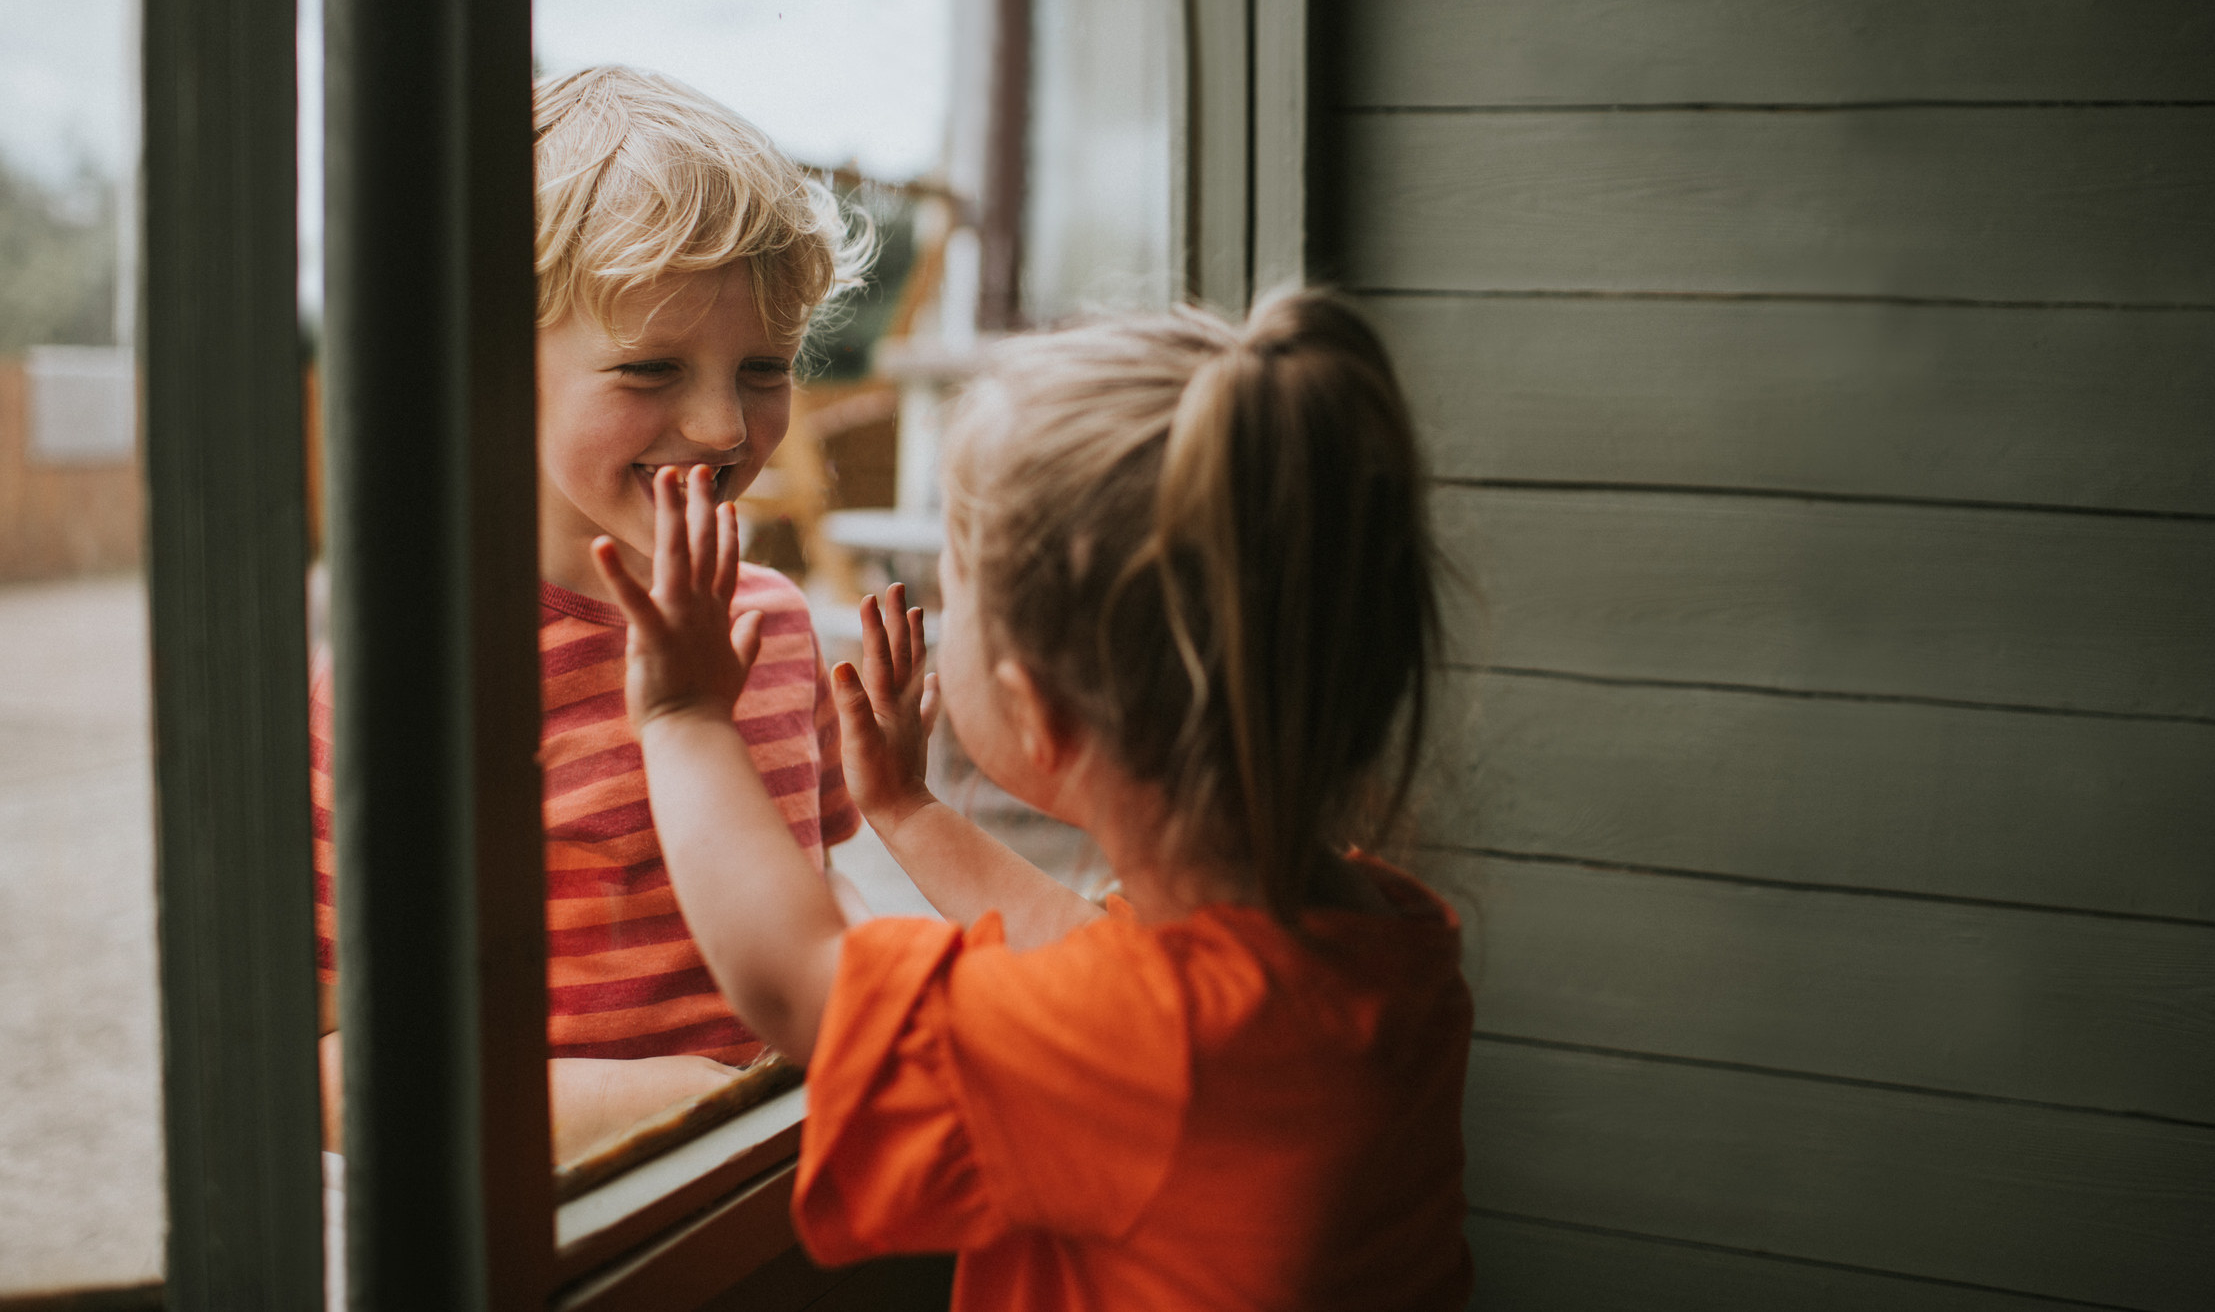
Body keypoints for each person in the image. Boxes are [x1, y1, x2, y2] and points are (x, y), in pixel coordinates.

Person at [596, 290, 1473, 1309]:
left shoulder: (1153, 1048)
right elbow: (1079, 951)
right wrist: (912, 813)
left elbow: (798, 983)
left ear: (1038, 709)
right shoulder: (1376, 933)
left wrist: (685, 715)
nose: (938, 610)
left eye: (955, 593)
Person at [314, 65, 873, 1159]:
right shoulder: (415, 685)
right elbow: (338, 1069)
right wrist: (668, 1106)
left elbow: (818, 880)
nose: (721, 425)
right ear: (487, 368)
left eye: (764, 366)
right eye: (650, 368)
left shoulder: (777, 624)